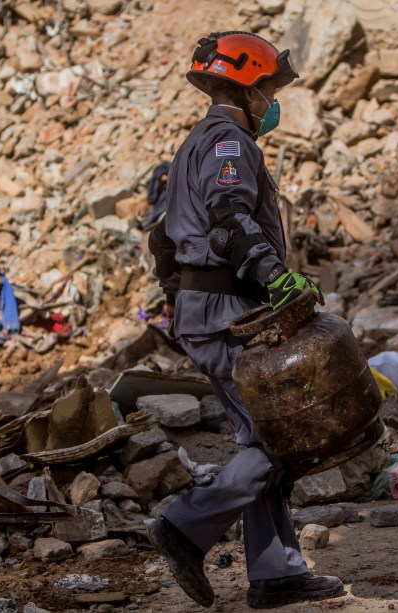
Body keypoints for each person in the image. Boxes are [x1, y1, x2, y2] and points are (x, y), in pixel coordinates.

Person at [145, 31, 344, 609]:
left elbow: (162, 241)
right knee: (280, 437)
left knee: (264, 435)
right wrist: (272, 278)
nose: (274, 103)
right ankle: (185, 526)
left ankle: (276, 572)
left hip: (213, 309)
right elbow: (230, 221)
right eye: (271, 90)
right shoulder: (229, 142)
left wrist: (184, 298)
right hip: (227, 310)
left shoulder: (195, 145)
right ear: (249, 89)